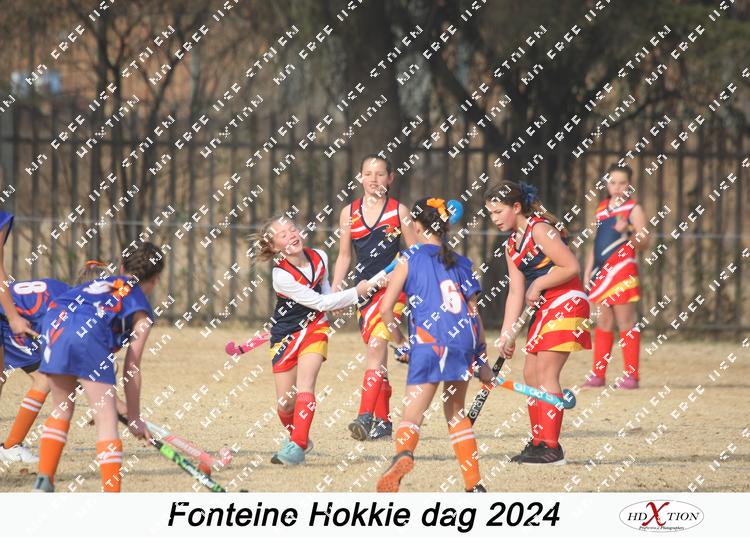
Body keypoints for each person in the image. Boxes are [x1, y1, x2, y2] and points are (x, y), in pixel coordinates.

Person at [375, 198, 493, 493]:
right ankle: (474, 485)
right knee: (456, 413)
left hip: (430, 344)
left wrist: (401, 343)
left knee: (412, 416)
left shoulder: (408, 258)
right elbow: (474, 314)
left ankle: (403, 456)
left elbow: (386, 309)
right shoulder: (461, 262)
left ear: (417, 226)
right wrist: (482, 359)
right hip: (463, 343)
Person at [250, 214, 380, 465]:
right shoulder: (281, 275)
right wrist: (356, 293)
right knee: (285, 404)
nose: (291, 235)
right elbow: (319, 301)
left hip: (315, 327)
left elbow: (324, 290)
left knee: (306, 386)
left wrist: (335, 301)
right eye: (283, 235)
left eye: (292, 229)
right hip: (285, 334)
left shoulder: (320, 256)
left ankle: (298, 445)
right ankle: (298, 438)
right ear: (274, 247)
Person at [33, 243, 163, 492]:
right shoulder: (141, 308)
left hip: (55, 320)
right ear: (156, 279)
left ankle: (44, 480)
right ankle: (111, 498)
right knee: (106, 421)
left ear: (122, 268)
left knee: (61, 409)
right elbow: (132, 366)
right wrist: (134, 418)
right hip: (87, 331)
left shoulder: (97, 284)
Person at [485, 181, 591, 465]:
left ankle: (552, 449)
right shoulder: (511, 246)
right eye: (490, 213)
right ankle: (538, 442)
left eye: (498, 211)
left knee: (546, 374)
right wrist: (507, 334)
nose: (494, 218)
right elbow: (515, 292)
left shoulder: (540, 229)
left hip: (566, 301)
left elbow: (571, 267)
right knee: (531, 375)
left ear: (516, 207)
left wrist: (540, 283)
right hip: (545, 308)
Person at [331, 155, 416, 441]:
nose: (374, 179)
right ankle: (383, 421)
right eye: (368, 173)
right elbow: (345, 256)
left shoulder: (399, 211)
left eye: (380, 174)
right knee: (376, 354)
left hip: (393, 291)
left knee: (378, 345)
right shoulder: (349, 213)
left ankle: (364, 416)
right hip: (363, 291)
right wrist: (337, 290)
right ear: (360, 177)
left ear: (390, 178)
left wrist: (397, 274)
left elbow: (415, 253)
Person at [583, 164, 648, 389]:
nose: (618, 187)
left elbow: (645, 242)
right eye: (613, 182)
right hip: (601, 273)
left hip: (622, 271)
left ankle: (631, 376)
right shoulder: (601, 208)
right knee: (603, 322)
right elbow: (597, 243)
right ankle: (598, 374)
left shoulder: (633, 209)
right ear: (607, 185)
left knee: (625, 322)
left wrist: (628, 230)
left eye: (623, 183)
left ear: (630, 185)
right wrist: (588, 271)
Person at [0, 276, 70, 463]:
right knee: (44, 379)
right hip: (5, 318)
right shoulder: (70, 308)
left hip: (5, 315)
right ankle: (12, 446)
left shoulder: (62, 290)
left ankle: (11, 445)